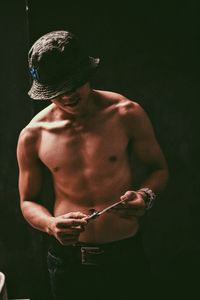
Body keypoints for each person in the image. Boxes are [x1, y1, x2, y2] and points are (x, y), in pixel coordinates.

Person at [17, 30, 169, 299]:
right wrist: (50, 224)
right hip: (68, 263)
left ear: (86, 74)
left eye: (72, 85)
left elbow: (159, 169)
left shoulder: (126, 113)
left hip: (125, 255)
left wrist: (146, 196)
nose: (66, 96)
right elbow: (28, 200)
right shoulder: (34, 135)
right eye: (56, 91)